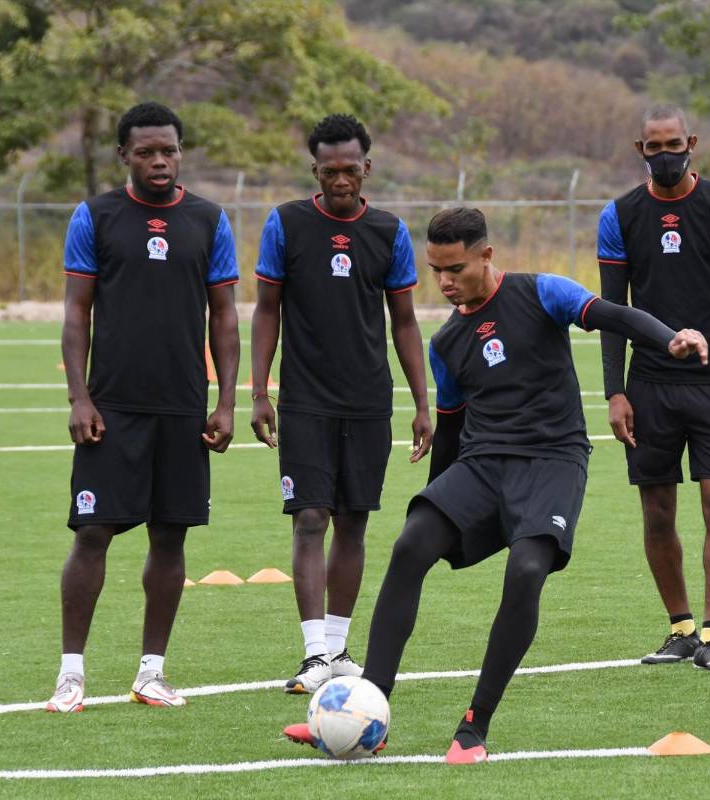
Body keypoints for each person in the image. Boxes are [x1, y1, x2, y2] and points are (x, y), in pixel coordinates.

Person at [356, 207, 709, 763]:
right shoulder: (446, 344)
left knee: (525, 571)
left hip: (553, 460)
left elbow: (612, 313)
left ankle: (475, 724)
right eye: (436, 270)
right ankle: (365, 710)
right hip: (482, 463)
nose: (445, 283)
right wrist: (436, 506)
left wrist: (670, 340)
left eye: (456, 268)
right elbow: (450, 433)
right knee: (409, 543)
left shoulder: (542, 292)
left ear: (487, 255)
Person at [47, 102, 240, 712]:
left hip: (183, 406)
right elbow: (77, 312)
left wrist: (226, 401)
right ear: (124, 155)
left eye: (170, 151)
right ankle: (70, 674)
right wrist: (80, 396)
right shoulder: (97, 216)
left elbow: (225, 317)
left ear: (180, 153)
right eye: (147, 151)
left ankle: (151, 672)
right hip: (113, 407)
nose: (160, 161)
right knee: (94, 531)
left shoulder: (209, 219)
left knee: (171, 534)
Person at [251, 113, 432, 695]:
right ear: (315, 171)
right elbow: (266, 311)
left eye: (350, 169)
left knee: (354, 522)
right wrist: (260, 391)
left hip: (368, 401)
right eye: (329, 170)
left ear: (366, 169)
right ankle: (312, 655)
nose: (340, 179)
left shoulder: (389, 232)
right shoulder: (286, 224)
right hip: (305, 400)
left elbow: (403, 322)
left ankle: (338, 648)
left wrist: (422, 404)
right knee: (310, 519)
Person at [597, 104, 710, 671]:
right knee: (658, 514)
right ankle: (682, 628)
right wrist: (615, 392)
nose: (664, 154)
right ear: (640, 150)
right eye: (653, 146)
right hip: (650, 388)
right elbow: (614, 312)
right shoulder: (618, 216)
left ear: (691, 142)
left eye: (673, 144)